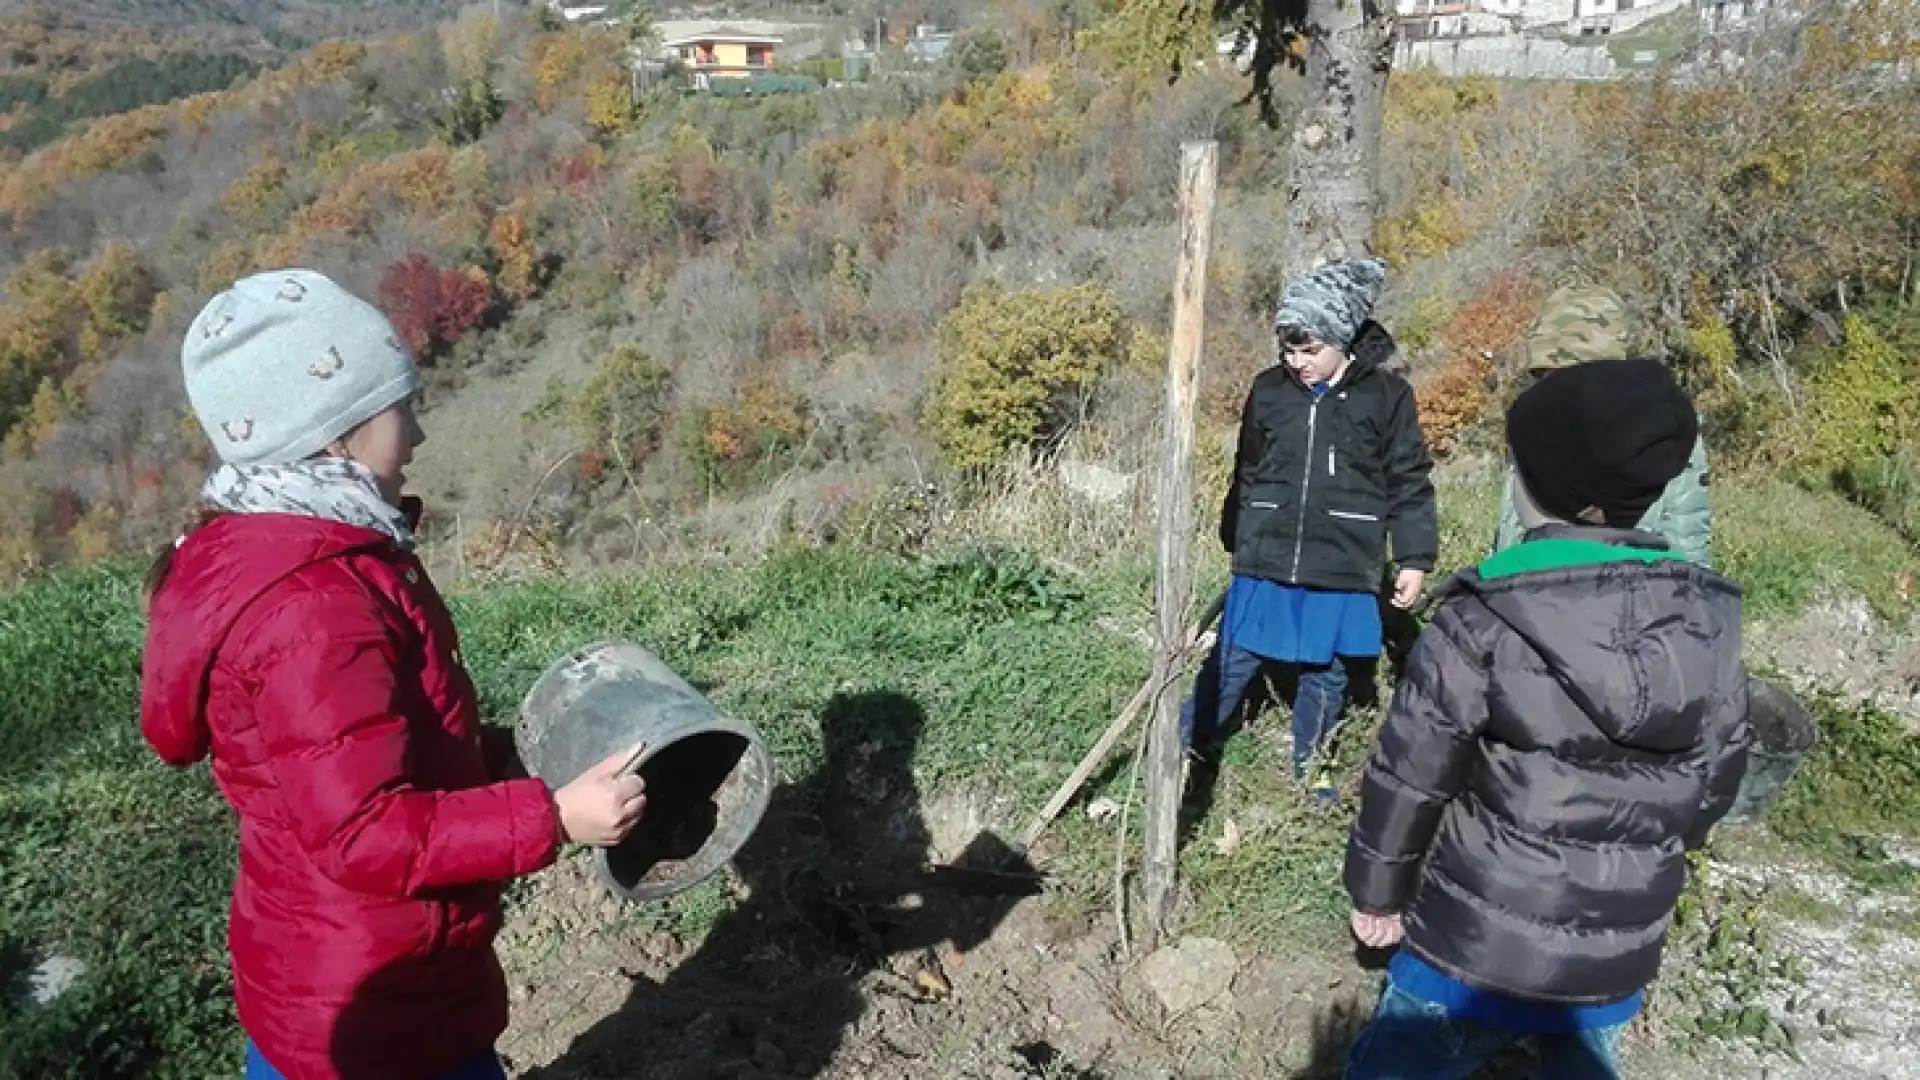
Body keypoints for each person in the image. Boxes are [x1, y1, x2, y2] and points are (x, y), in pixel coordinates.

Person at [139, 270, 650, 1080]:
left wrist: (500, 758)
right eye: (400, 408)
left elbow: (372, 750)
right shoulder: (312, 609)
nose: (416, 435)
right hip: (377, 1011)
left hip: (336, 969)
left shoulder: (302, 552)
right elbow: (363, 832)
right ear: (336, 434)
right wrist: (551, 818)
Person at [1342, 357, 1753, 1080]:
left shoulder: (1485, 615)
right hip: (1609, 960)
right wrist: (1658, 852)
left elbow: (1411, 776)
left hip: (1470, 950)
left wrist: (1377, 893)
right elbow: (1718, 774)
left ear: (1535, 490)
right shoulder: (1705, 621)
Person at [1182, 258, 1438, 804]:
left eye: (1310, 350)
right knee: (1234, 655)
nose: (1298, 363)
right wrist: (1236, 531)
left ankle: (1313, 762)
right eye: (1289, 350)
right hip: (1267, 550)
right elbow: (1247, 467)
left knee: (1326, 671)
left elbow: (1409, 480)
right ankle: (1188, 743)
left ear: (1343, 339)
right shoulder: (1269, 390)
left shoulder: (1387, 397)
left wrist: (1414, 558)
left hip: (1343, 558)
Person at [1492, 286, 1712, 565]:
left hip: (1635, 594)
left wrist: (1689, 599)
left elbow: (1686, 541)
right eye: (1546, 377)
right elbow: (1512, 527)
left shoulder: (1664, 433)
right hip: (1533, 593)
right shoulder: (1536, 430)